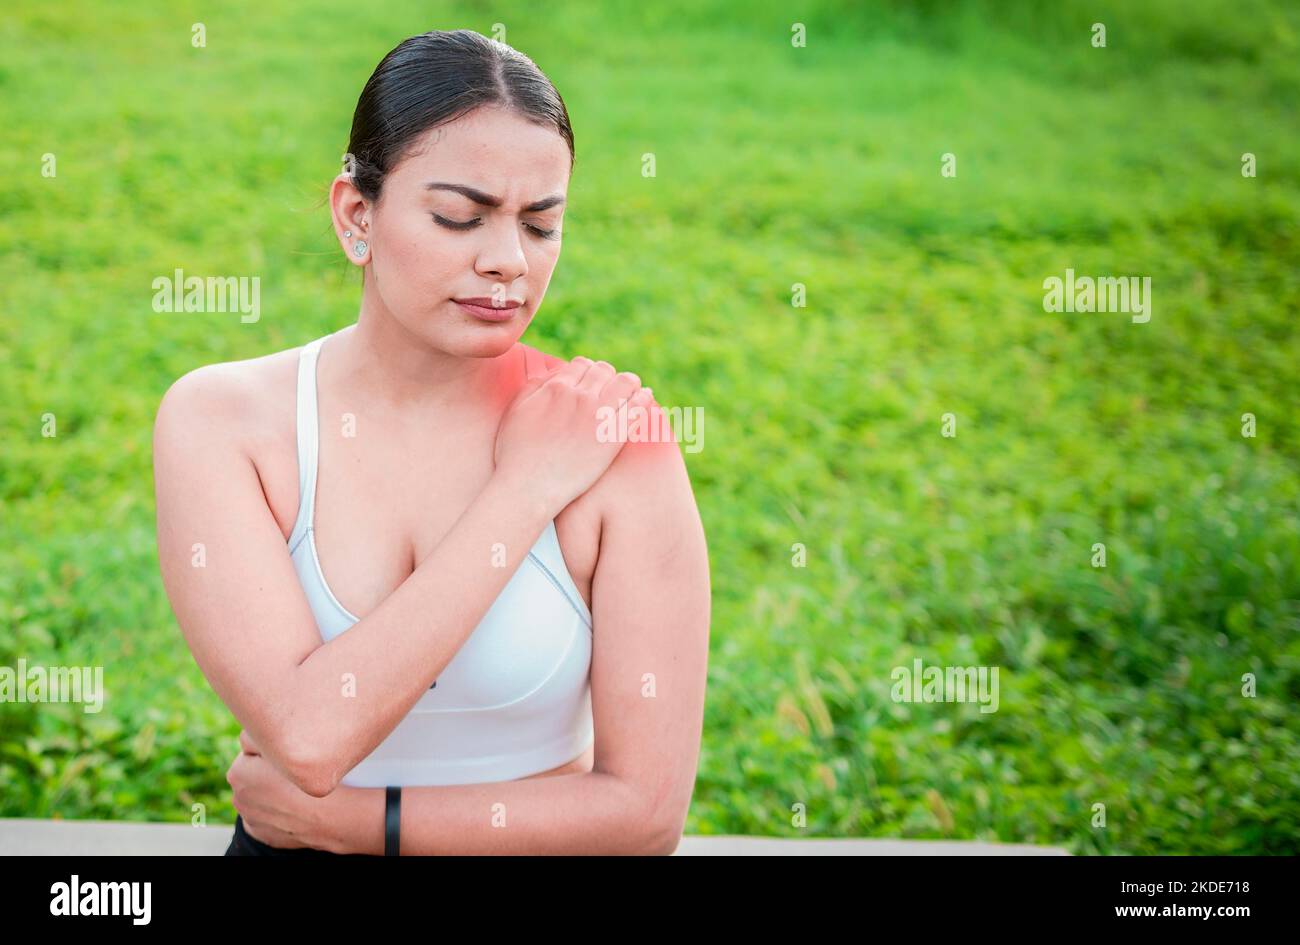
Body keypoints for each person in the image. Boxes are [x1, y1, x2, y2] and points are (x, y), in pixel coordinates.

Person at [153, 28, 711, 856]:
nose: (507, 261)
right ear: (356, 215)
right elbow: (308, 736)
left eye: (541, 225)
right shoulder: (224, 422)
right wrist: (522, 492)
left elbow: (645, 812)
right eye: (460, 217)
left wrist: (362, 824)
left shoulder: (614, 440)